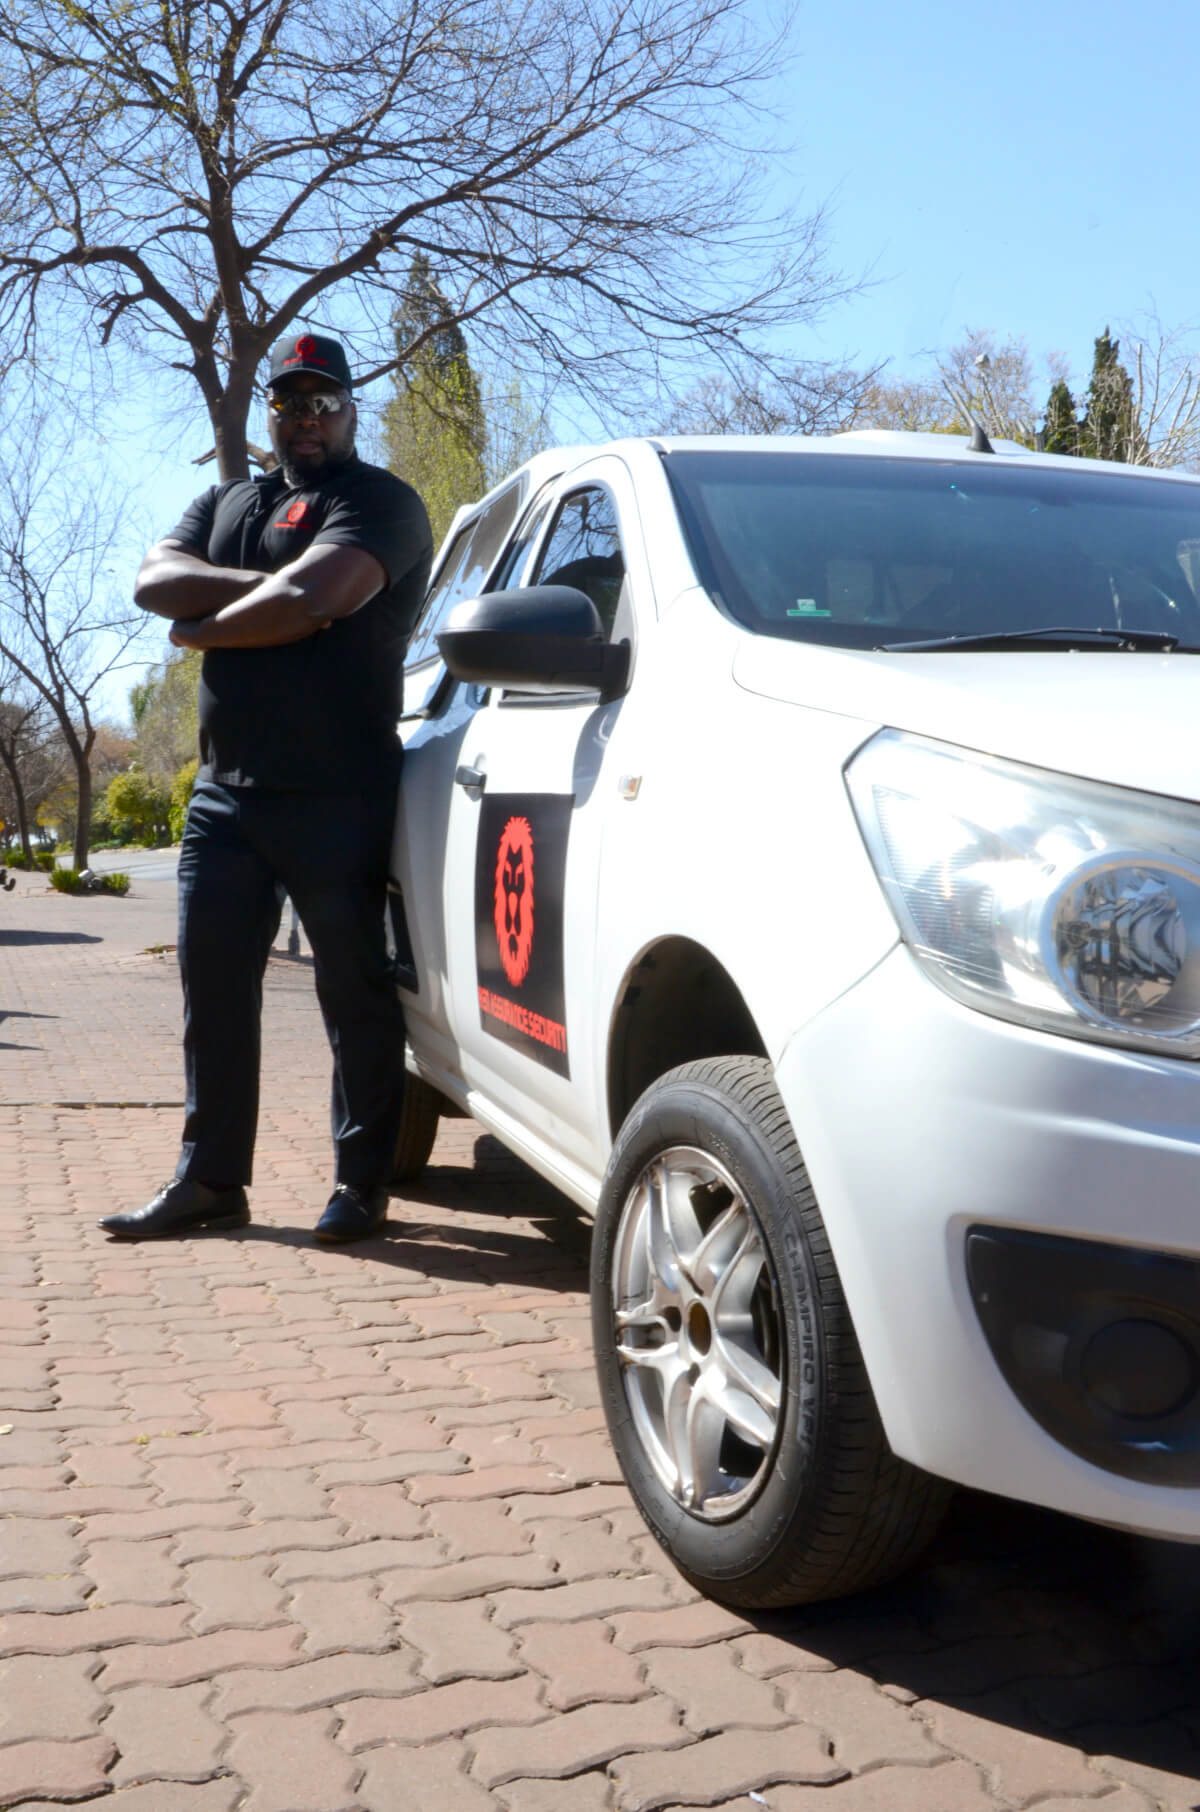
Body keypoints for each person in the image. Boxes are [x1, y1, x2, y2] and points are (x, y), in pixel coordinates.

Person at [99, 332, 432, 1245]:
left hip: (339, 794)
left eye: (323, 402)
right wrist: (272, 588)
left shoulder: (381, 502)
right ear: (271, 415)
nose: (305, 418)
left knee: (353, 995)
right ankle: (210, 1184)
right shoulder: (228, 498)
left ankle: (360, 1187)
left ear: (352, 410)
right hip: (224, 801)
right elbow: (154, 580)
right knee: (213, 996)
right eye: (289, 403)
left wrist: (211, 627)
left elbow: (319, 599)